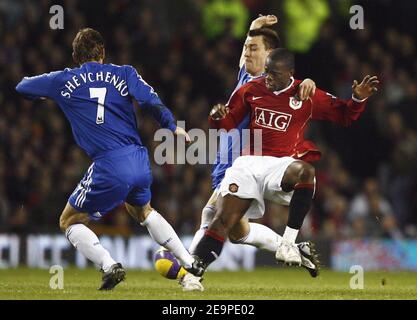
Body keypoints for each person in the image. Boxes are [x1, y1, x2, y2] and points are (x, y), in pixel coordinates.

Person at [15, 28, 204, 291]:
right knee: (143, 211)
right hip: (139, 159)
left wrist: (48, 90)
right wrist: (172, 126)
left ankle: (109, 265)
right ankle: (189, 261)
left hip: (108, 163)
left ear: (74, 56)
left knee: (68, 221)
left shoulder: (63, 80)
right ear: (102, 52)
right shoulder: (124, 72)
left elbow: (22, 86)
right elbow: (149, 101)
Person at [191, 48, 379, 274]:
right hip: (248, 164)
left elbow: (345, 115)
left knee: (306, 172)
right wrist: (217, 117)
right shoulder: (251, 89)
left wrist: (358, 98)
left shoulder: (306, 94)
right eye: (267, 71)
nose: (268, 77)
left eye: (274, 74)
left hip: (280, 166)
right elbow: (228, 124)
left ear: (290, 73)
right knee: (223, 221)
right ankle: (195, 270)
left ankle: (288, 244)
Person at [177, 16, 318, 290]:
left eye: (253, 49)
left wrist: (308, 82)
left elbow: (296, 87)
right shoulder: (246, 77)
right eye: (246, 48)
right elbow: (249, 50)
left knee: (211, 215)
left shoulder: (272, 85)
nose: (246, 53)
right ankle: (295, 250)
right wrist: (253, 27)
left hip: (245, 162)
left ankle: (190, 271)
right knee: (238, 232)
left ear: (270, 56)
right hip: (225, 158)